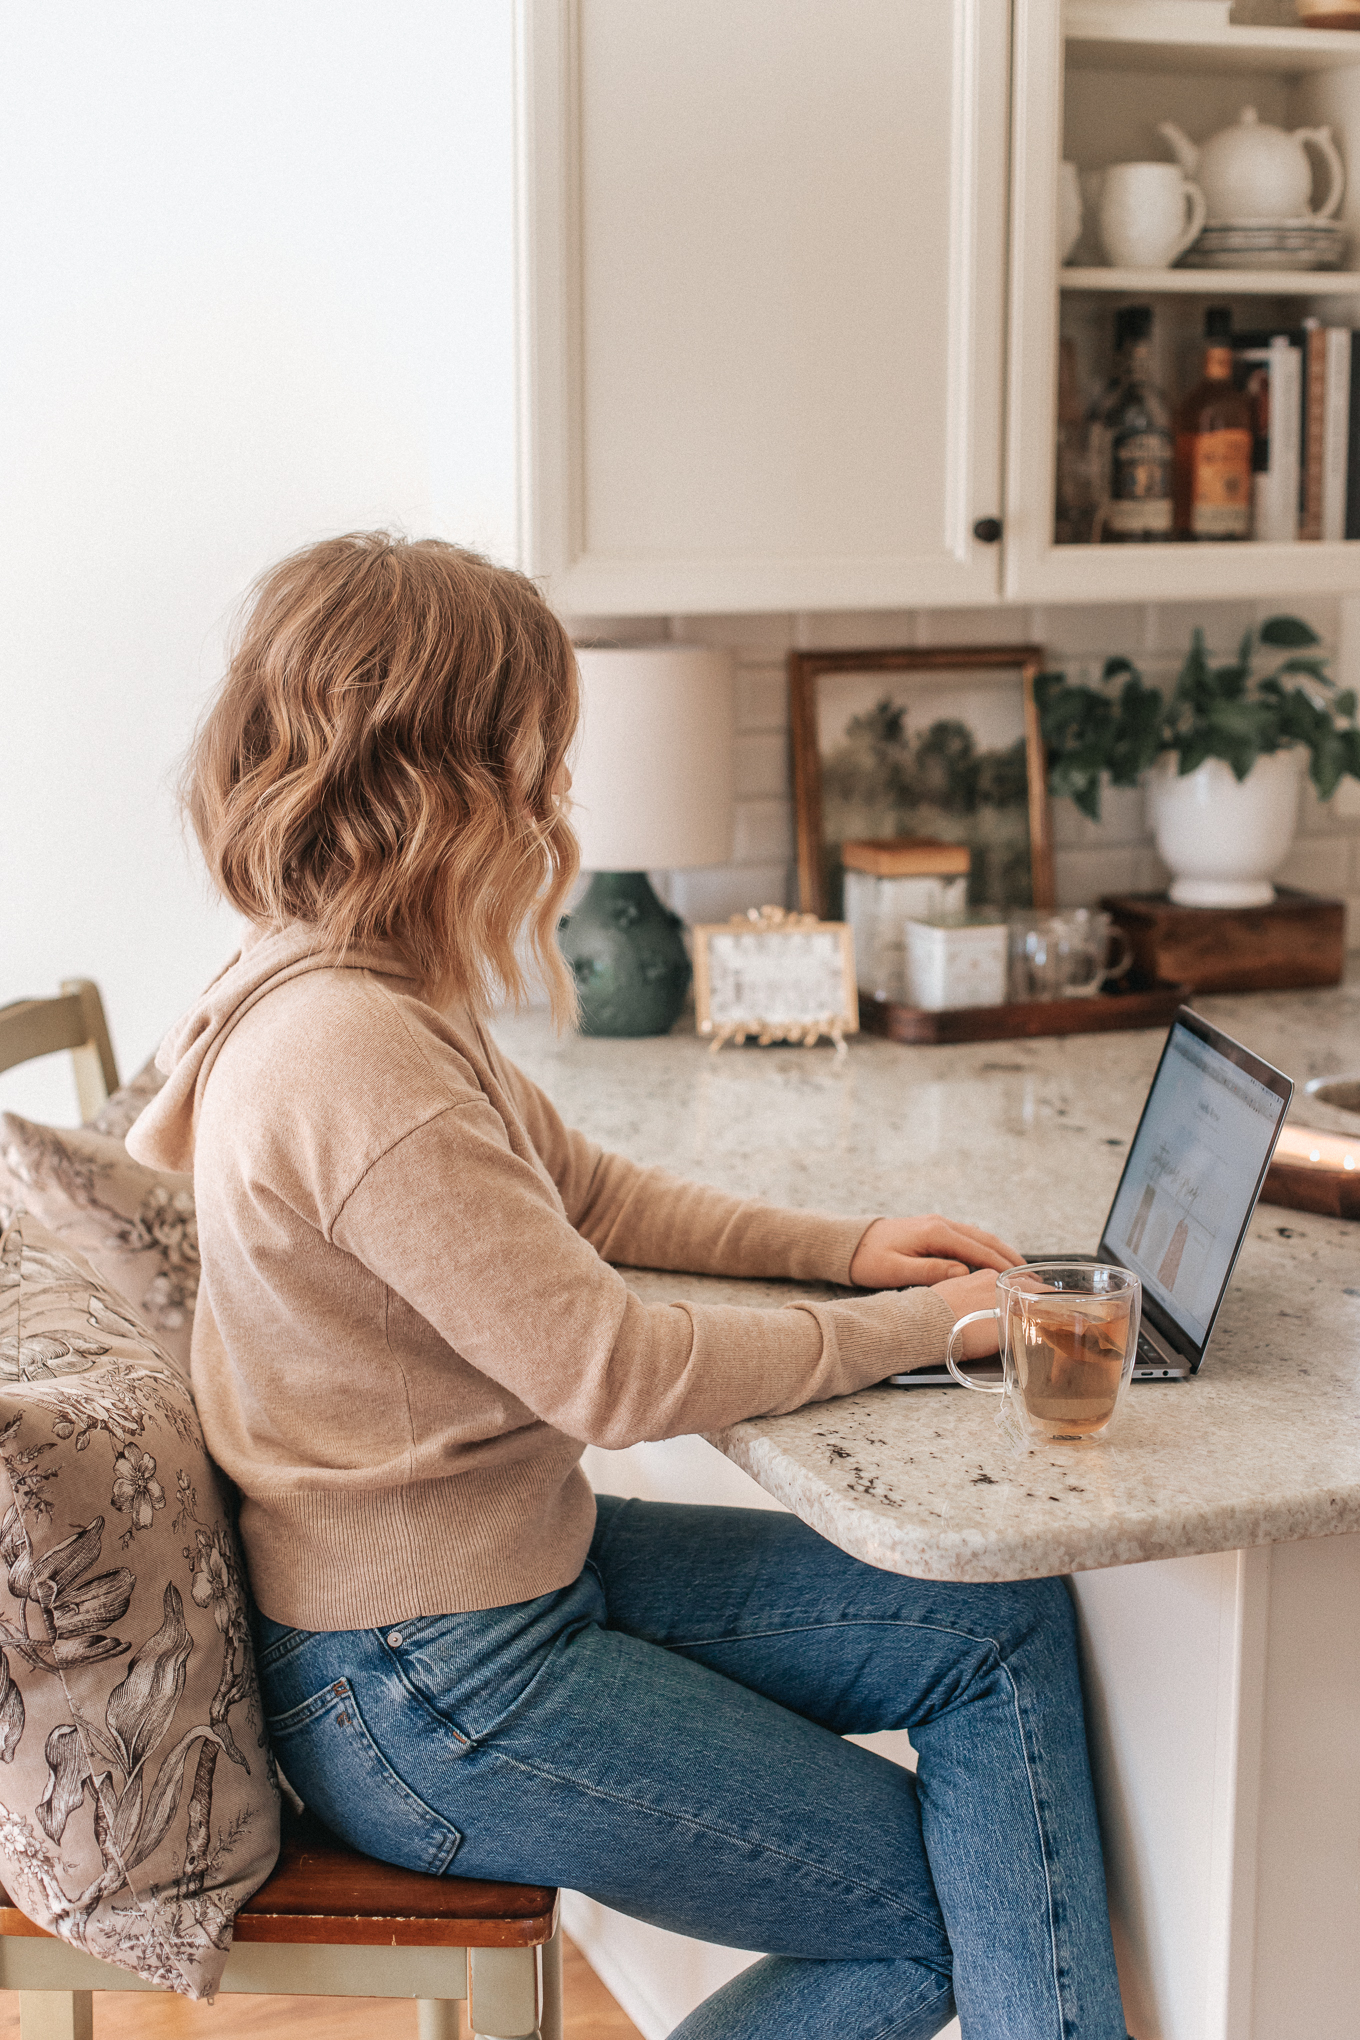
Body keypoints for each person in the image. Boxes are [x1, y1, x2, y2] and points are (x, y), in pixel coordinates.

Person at [130, 533, 1128, 2039]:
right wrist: (924, 1332)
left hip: (477, 1595)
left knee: (995, 1617)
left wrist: (845, 1244)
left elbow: (586, 1190)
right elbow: (619, 1375)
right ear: (440, 771)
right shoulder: (346, 1052)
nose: (553, 798)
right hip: (428, 1682)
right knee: (936, 1925)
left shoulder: (348, 975)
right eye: (532, 756)